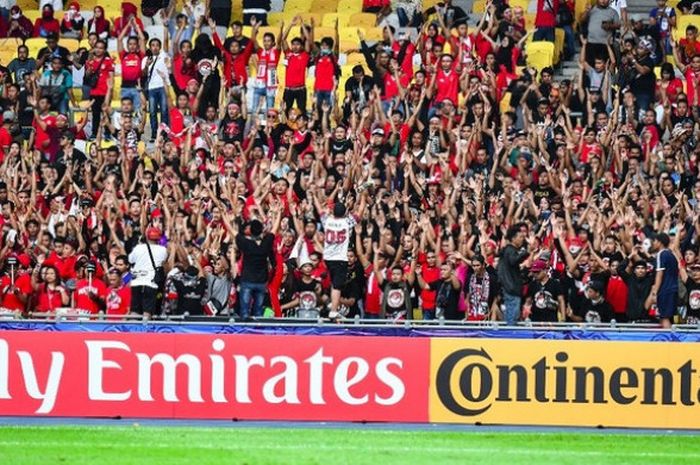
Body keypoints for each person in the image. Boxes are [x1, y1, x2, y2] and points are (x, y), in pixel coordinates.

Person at [235, 218, 276, 319]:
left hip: (247, 280)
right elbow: (274, 229)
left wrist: (224, 215)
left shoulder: (246, 244)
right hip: (261, 282)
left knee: (244, 312)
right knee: (258, 313)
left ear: (250, 231)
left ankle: (244, 332)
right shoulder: (266, 243)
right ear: (262, 230)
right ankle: (257, 333)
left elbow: (234, 232)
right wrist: (278, 213)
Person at [128, 226, 168, 318]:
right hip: (151, 283)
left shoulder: (138, 248)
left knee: (135, 311)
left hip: (137, 282)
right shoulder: (163, 250)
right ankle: (145, 331)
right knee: (147, 311)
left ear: (147, 236)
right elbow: (164, 261)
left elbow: (130, 260)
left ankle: (133, 330)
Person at [497, 225, 531, 325]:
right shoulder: (510, 250)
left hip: (510, 288)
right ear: (513, 238)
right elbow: (514, 260)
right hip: (511, 289)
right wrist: (527, 252)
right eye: (520, 237)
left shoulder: (507, 251)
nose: (522, 239)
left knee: (512, 315)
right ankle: (509, 337)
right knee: (513, 317)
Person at [649, 233, 679, 328]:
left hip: (665, 291)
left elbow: (659, 274)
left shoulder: (661, 254)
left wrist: (654, 293)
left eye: (655, 241)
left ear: (660, 243)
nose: (653, 243)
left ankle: (671, 342)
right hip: (674, 290)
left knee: (664, 318)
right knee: (669, 318)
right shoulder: (671, 255)